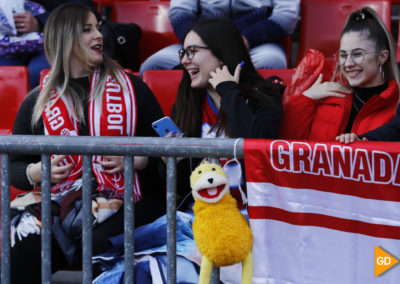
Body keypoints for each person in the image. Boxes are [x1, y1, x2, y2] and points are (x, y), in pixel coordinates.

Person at [9, 3, 166, 283]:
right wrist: (36, 172)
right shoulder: (38, 99)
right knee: (23, 246)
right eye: (86, 30)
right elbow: (13, 165)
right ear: (64, 38)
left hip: (131, 199)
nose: (99, 35)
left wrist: (137, 159)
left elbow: (170, 149)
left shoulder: (133, 88)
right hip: (63, 201)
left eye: (97, 27)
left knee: (98, 244)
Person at [166, 18, 282, 210]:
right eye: (183, 52)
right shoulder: (188, 102)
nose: (184, 60)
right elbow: (181, 187)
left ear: (221, 53)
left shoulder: (263, 95)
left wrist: (227, 91)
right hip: (203, 217)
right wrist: (170, 162)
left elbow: (257, 144)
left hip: (253, 217)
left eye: (192, 51)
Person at [279, 7, 400, 141]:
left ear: (382, 57)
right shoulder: (327, 98)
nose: (347, 63)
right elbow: (288, 148)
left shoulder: (396, 102)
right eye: (343, 55)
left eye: (358, 54)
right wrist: (307, 98)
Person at [139, 0, 300, 76]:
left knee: (271, 62)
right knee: (154, 66)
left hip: (254, 43)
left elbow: (286, 17)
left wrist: (243, 39)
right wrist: (203, 42)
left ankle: (251, 123)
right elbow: (180, 14)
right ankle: (174, 125)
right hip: (201, 42)